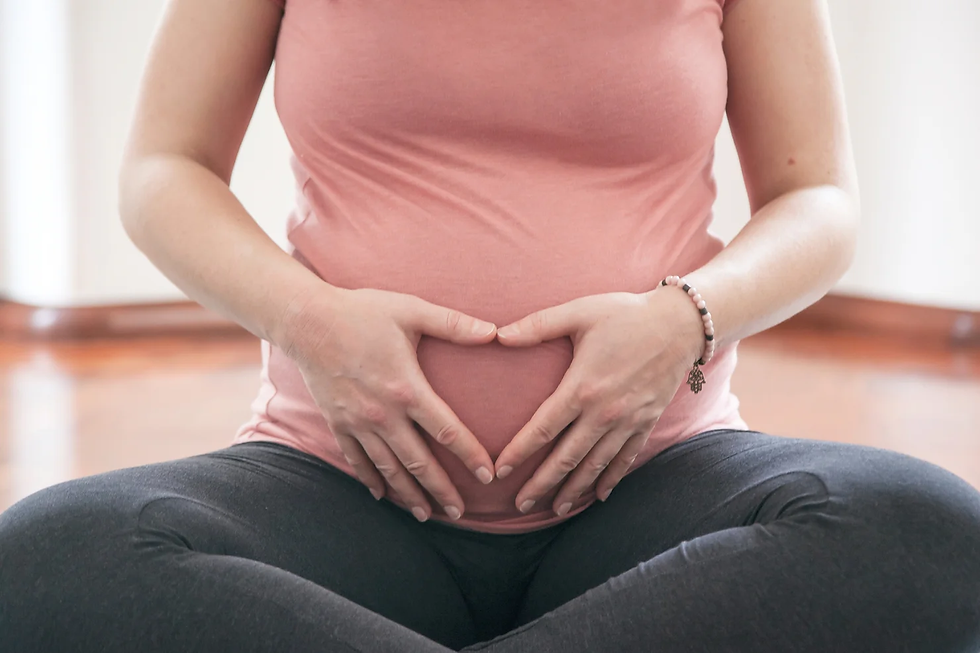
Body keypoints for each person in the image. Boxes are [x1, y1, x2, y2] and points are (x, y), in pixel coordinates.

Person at [1, 0, 978, 650]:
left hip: (659, 488)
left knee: (925, 531)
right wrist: (307, 318)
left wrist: (686, 320)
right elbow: (163, 167)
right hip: (334, 484)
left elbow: (816, 200)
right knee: (54, 552)